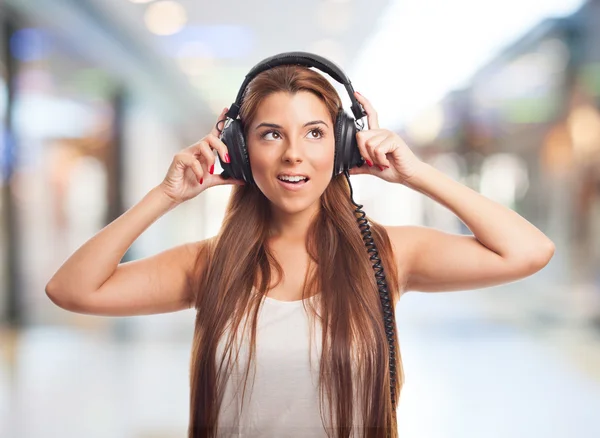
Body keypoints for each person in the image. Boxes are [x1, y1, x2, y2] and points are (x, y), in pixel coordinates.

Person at [45, 58, 555, 438]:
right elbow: (70, 289)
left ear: (343, 143)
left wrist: (415, 173)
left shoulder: (388, 254)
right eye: (271, 134)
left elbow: (528, 251)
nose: (293, 153)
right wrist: (166, 194)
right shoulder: (209, 264)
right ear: (240, 150)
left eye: (315, 132)